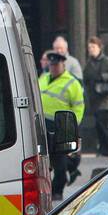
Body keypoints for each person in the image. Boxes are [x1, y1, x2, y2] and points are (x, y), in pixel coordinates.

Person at [39, 51, 85, 199]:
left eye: (57, 65)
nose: (54, 68)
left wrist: (71, 126)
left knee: (59, 160)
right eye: (52, 65)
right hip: (41, 124)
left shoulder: (72, 82)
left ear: (63, 65)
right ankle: (71, 169)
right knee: (44, 159)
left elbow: (79, 107)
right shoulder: (43, 78)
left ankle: (57, 191)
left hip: (61, 125)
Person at [82, 36, 108, 161]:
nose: (91, 49)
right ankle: (103, 148)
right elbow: (85, 76)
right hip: (95, 99)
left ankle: (107, 149)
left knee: (104, 126)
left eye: (93, 47)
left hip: (106, 99)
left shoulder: (106, 61)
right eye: (89, 47)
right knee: (98, 125)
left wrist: (102, 76)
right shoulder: (89, 63)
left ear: (99, 47)